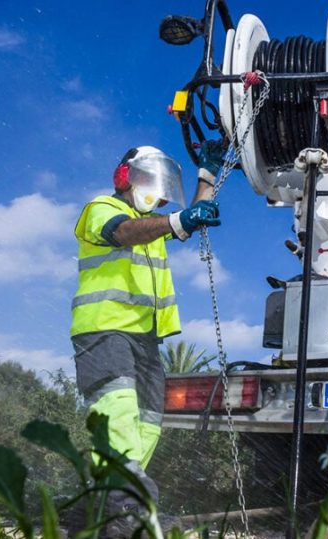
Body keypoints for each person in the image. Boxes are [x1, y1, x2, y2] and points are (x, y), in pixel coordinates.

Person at [70, 141, 225, 535]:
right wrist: (179, 221)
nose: (156, 195)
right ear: (126, 177)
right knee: (117, 412)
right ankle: (122, 513)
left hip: (144, 338)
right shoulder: (103, 210)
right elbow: (124, 233)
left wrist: (206, 175)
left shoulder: (152, 227)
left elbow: (189, 218)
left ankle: (112, 507)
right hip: (105, 328)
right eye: (148, 181)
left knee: (148, 422)